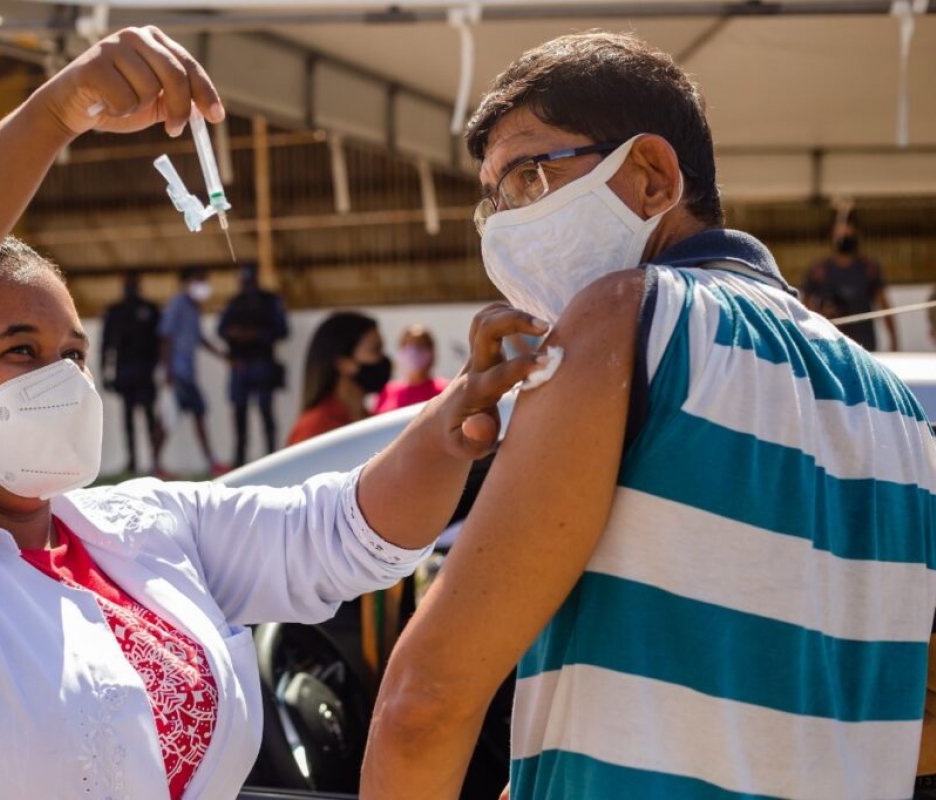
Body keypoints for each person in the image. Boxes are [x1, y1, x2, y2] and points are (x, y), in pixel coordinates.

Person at [0, 28, 548, 800]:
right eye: (21, 350)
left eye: (74, 354)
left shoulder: (138, 529)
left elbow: (337, 532)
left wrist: (455, 422)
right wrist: (52, 117)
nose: (62, 379)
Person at [361, 32, 936, 800]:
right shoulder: (899, 408)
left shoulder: (626, 320)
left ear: (653, 175)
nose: (505, 224)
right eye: (493, 199)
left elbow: (423, 705)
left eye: (531, 176)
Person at [218, 263, 288, 466]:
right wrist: (234, 334)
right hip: (240, 365)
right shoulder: (234, 303)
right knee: (239, 414)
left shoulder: (270, 301)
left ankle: (272, 458)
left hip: (262, 364)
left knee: (266, 412)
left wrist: (255, 335)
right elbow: (221, 330)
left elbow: (282, 330)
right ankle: (240, 460)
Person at [159, 266, 226, 476]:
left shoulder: (194, 308)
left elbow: (199, 339)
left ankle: (209, 461)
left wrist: (223, 356)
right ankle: (210, 461)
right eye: (199, 280)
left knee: (180, 416)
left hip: (187, 373)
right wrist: (168, 371)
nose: (203, 285)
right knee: (175, 417)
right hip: (179, 373)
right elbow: (166, 337)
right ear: (187, 282)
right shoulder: (178, 304)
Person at [287, 311, 390, 445]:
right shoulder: (314, 428)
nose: (382, 360)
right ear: (343, 362)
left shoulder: (371, 421)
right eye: (375, 350)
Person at [101, 271, 165, 475]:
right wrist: (105, 372)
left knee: (148, 417)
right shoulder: (115, 311)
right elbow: (106, 344)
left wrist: (160, 368)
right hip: (125, 370)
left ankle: (154, 461)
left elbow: (160, 341)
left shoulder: (149, 309)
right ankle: (133, 461)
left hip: (144, 370)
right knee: (128, 418)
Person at [802, 219, 898, 351]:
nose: (844, 235)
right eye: (839, 232)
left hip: (864, 343)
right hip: (829, 343)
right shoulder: (819, 270)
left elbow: (884, 305)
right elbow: (805, 307)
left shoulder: (868, 269)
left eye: (848, 231)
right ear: (832, 236)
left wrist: (893, 339)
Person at [374, 324, 450, 414]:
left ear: (432, 352)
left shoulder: (446, 390)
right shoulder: (387, 391)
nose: (414, 352)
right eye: (408, 345)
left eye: (420, 346)